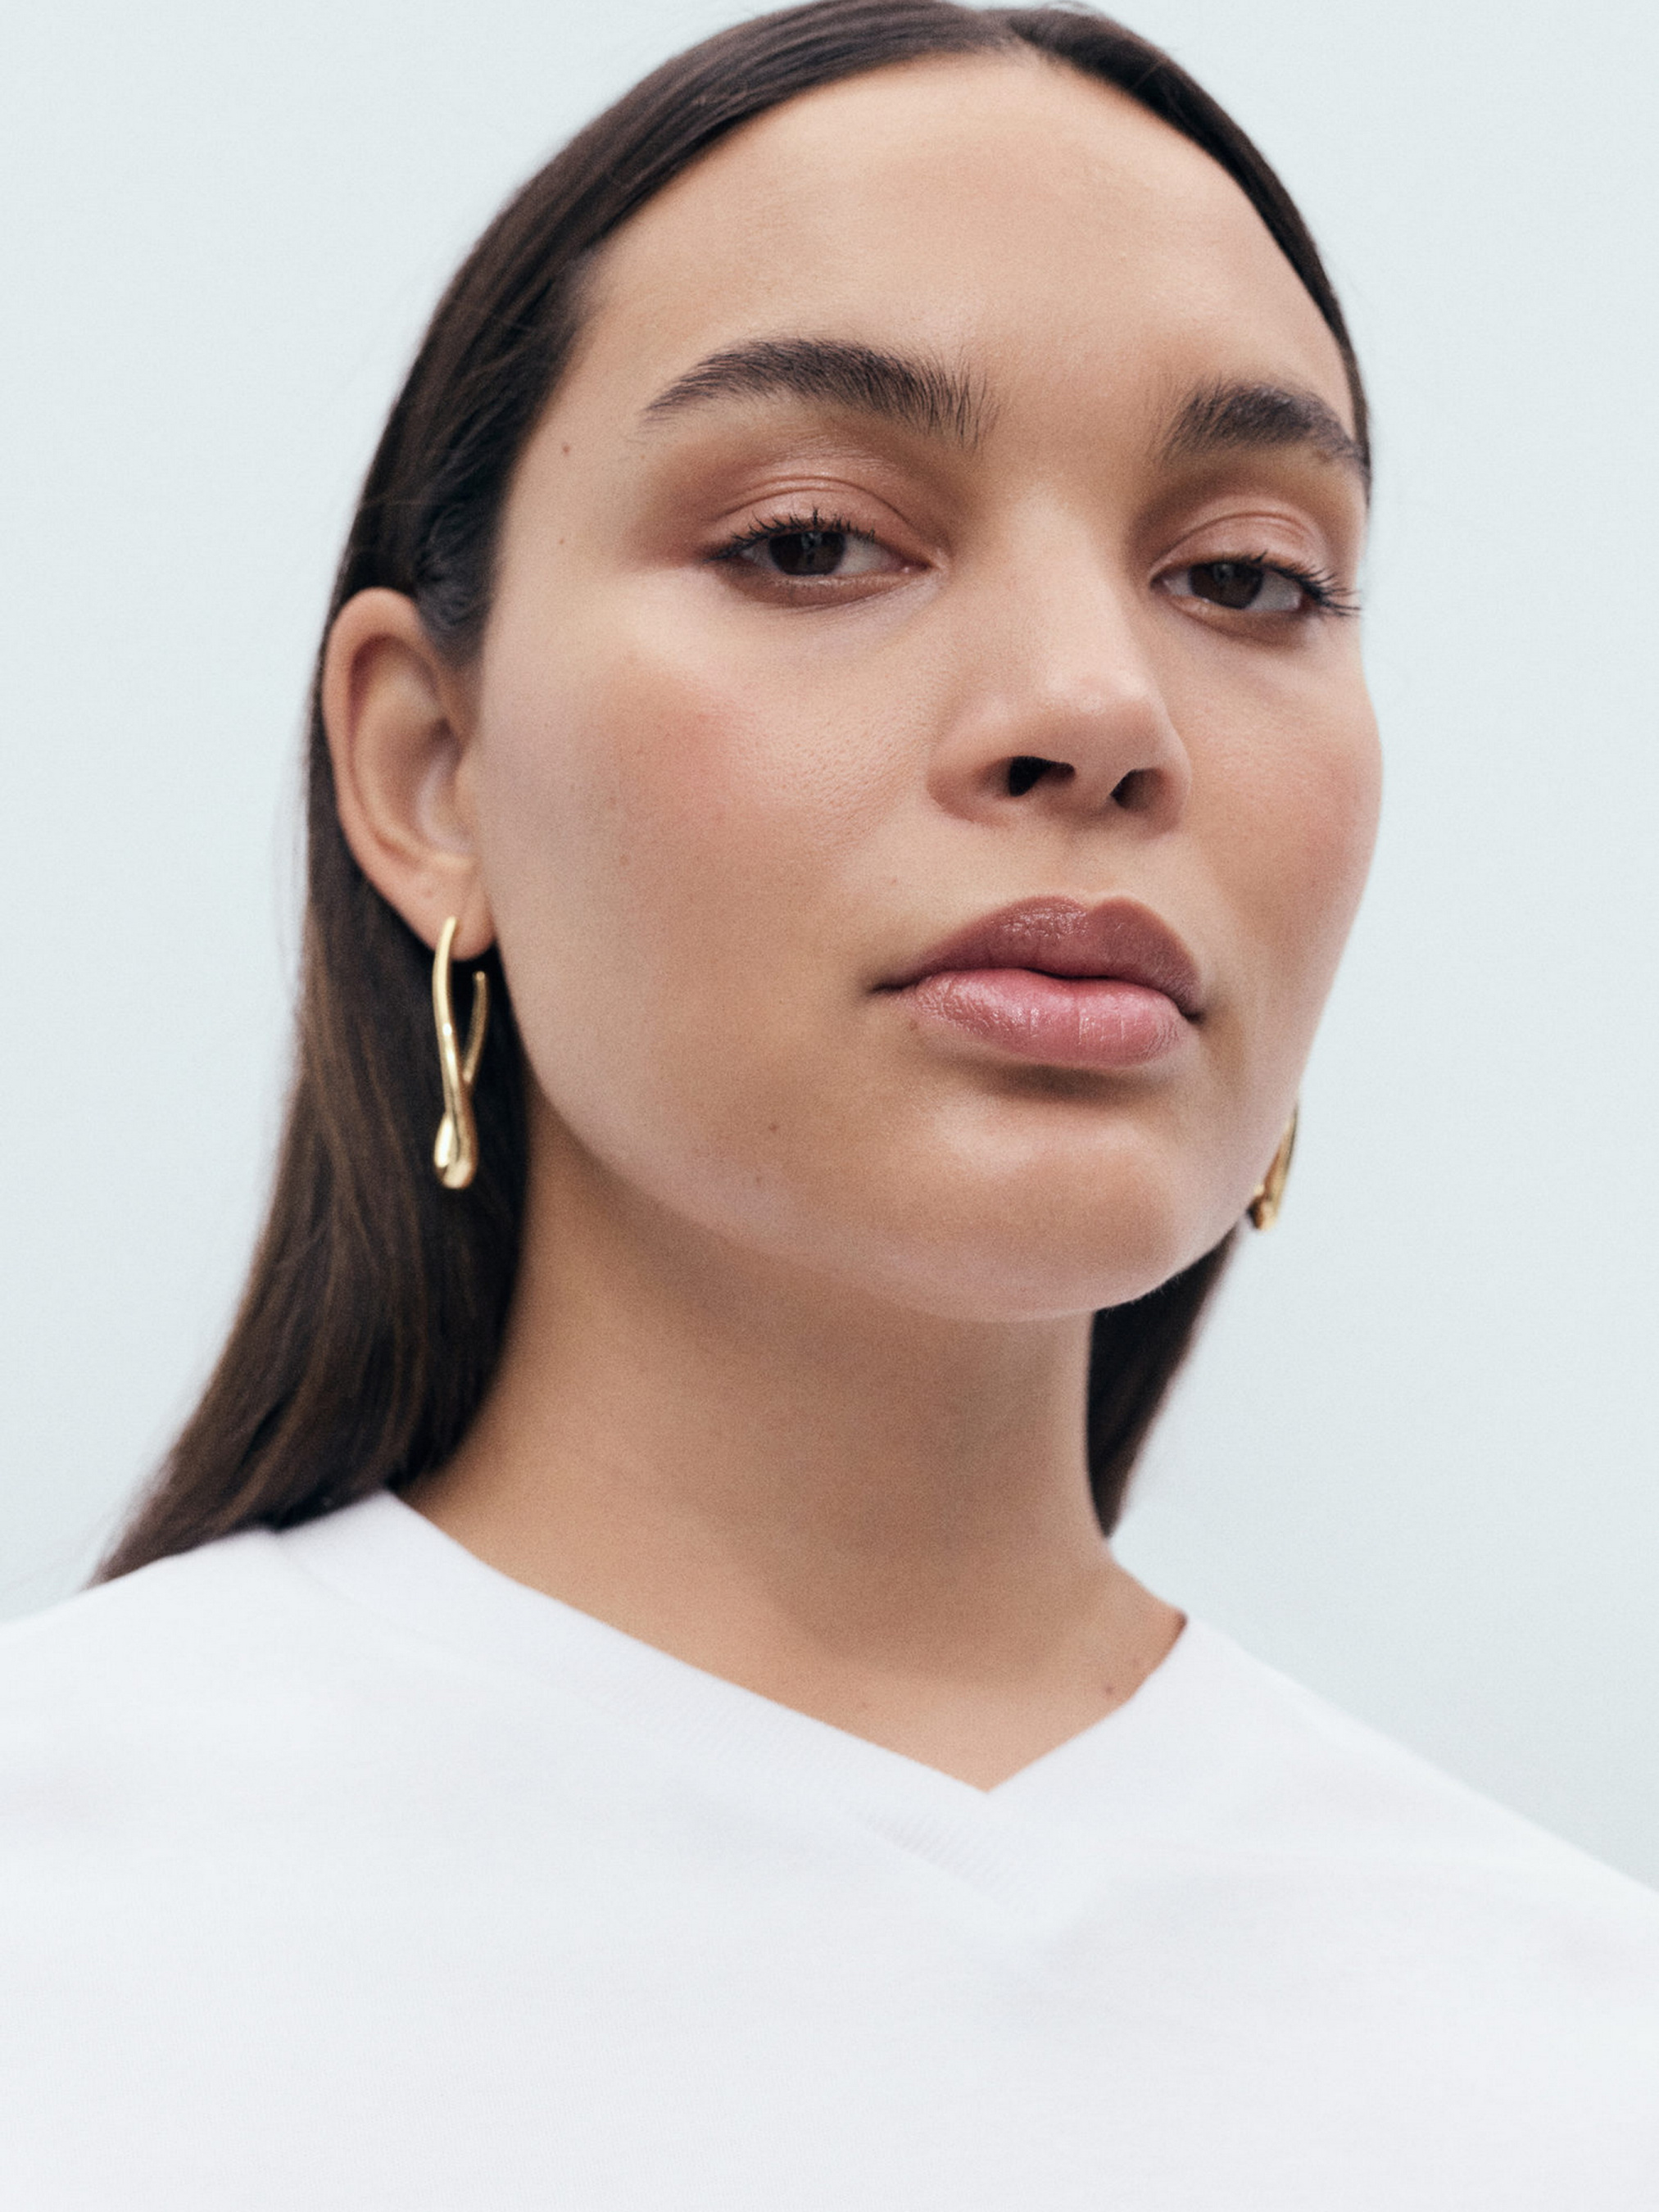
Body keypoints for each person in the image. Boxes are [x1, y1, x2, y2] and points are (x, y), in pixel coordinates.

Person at [4, 2, 1655, 2203]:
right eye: (811, 542)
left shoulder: (1581, 2061)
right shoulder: (64, 1939)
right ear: (430, 771)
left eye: (1246, 576)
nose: (1098, 708)